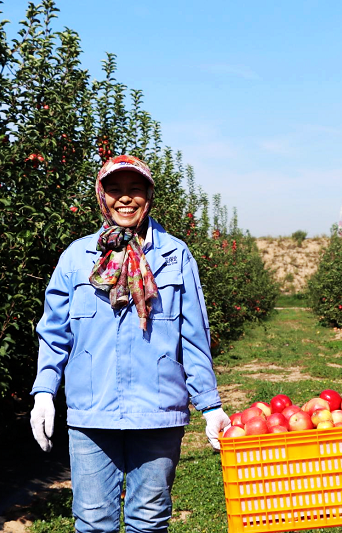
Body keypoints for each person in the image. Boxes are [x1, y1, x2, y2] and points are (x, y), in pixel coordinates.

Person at [29, 155, 231, 533]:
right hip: (93, 412)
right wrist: (44, 391)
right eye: (115, 190)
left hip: (158, 410)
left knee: (150, 520)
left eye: (135, 189)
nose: (125, 199)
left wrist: (210, 403)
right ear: (101, 196)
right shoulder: (77, 257)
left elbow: (193, 334)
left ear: (149, 195)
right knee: (92, 522)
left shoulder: (174, 255)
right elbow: (55, 331)